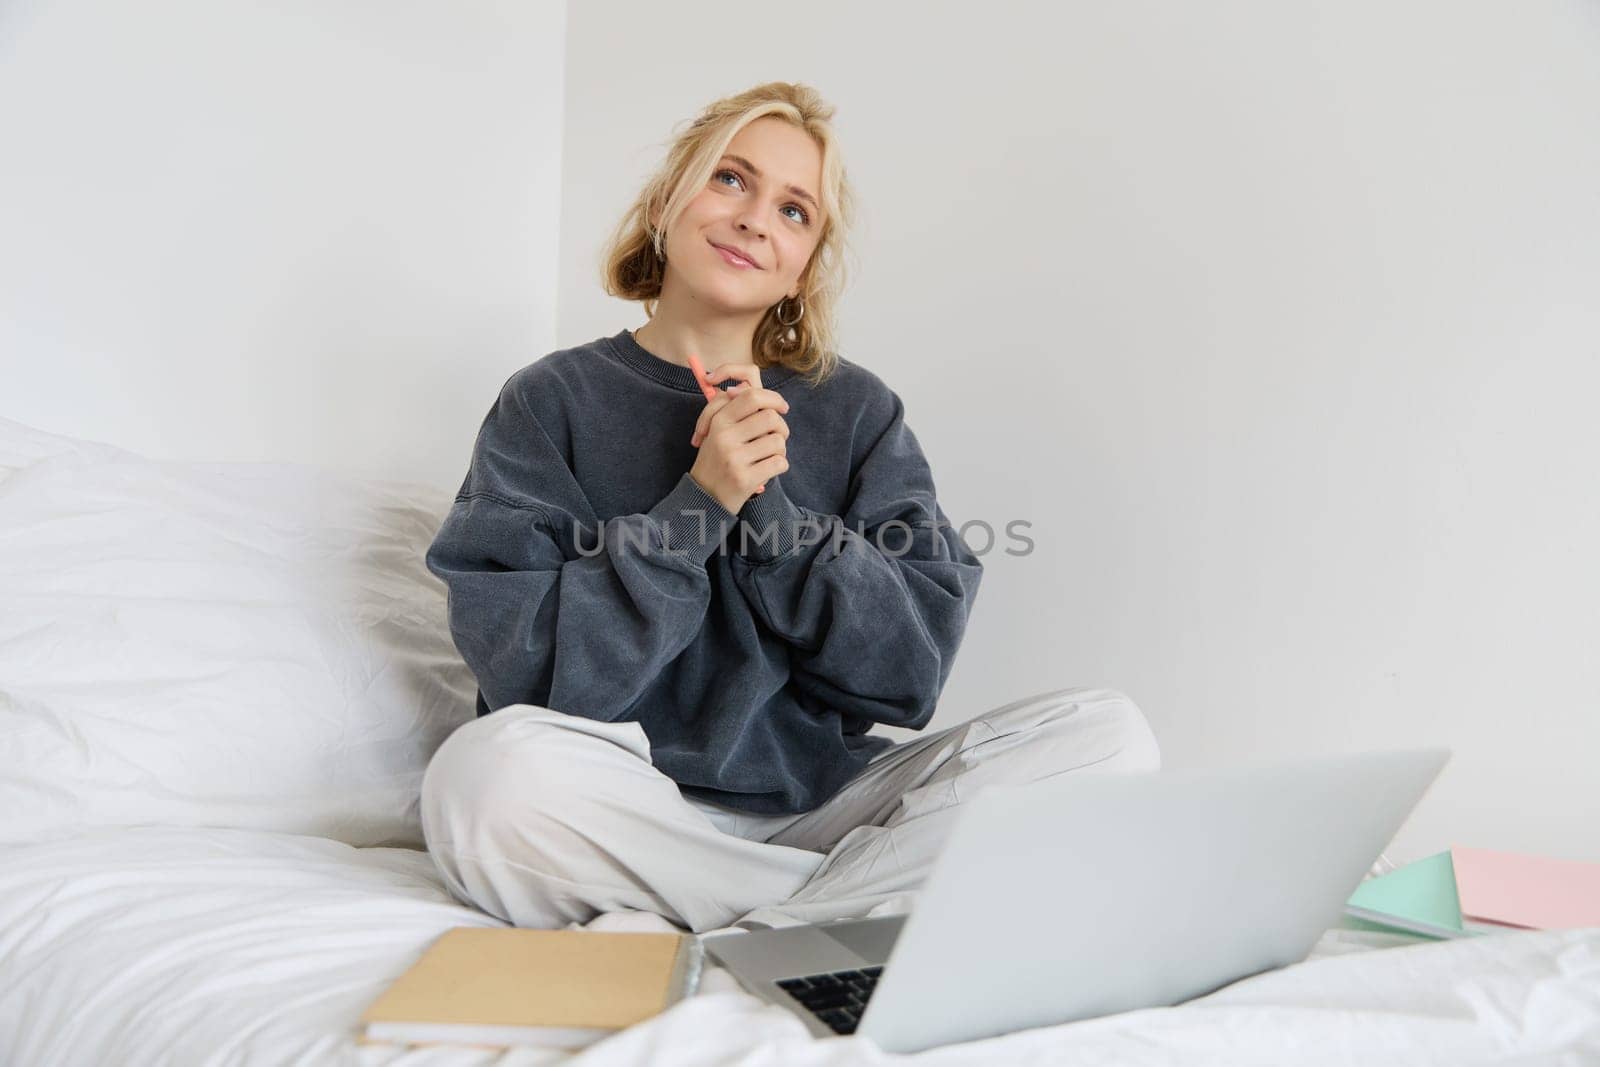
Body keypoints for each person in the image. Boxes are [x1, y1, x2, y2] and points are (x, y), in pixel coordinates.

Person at [420, 82, 1160, 935]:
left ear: (806, 263)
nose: (755, 219)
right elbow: (530, 676)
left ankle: (740, 915)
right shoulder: (549, 401)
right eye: (730, 180)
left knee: (1109, 737)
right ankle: (824, 917)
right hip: (626, 802)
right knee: (480, 779)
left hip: (826, 808)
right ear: (668, 200)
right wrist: (700, 502)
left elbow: (908, 673)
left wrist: (773, 515)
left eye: (795, 210)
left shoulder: (859, 412)